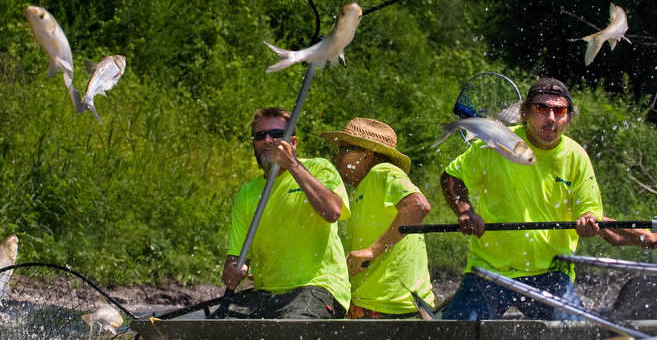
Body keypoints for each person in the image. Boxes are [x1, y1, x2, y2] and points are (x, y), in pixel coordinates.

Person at [439, 77, 603, 320]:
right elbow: (451, 176)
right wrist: (465, 210)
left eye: (559, 111)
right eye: (541, 108)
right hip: (489, 269)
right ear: (525, 112)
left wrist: (589, 221)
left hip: (552, 273)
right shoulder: (497, 140)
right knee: (454, 339)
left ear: (568, 118)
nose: (551, 118)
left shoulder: (577, 156)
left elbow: (588, 209)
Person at [221, 107, 351, 319]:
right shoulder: (246, 194)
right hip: (266, 293)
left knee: (289, 332)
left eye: (278, 134)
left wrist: (292, 165)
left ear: (293, 142)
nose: (269, 140)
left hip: (317, 287)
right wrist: (232, 271)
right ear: (254, 143)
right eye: (260, 135)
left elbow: (333, 211)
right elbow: (235, 258)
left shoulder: (319, 169)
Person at [319, 118, 435, 318]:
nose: (337, 157)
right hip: (380, 305)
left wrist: (372, 251)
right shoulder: (363, 189)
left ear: (366, 155)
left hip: (389, 307)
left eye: (344, 149)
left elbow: (418, 206)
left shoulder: (383, 172)